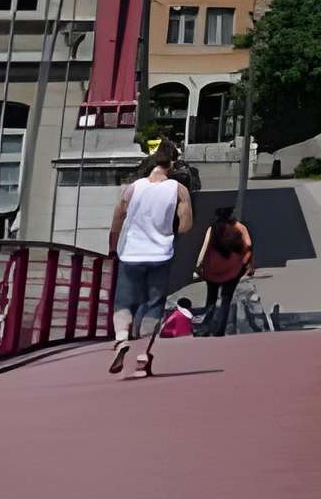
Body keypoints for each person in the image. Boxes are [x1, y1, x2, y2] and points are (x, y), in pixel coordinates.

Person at [107, 146, 191, 375]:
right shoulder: (179, 190)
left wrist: (113, 248)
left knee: (123, 301)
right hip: (160, 255)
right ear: (172, 164)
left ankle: (122, 339)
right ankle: (143, 354)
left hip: (131, 253)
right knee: (154, 304)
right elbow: (185, 225)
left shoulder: (133, 188)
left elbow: (117, 219)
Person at [196, 204, 256, 338]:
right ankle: (220, 331)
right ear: (230, 215)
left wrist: (199, 266)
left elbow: (205, 248)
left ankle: (206, 328)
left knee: (210, 299)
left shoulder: (213, 228)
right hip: (233, 270)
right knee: (226, 299)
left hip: (213, 270)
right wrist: (249, 264)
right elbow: (249, 245)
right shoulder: (240, 227)